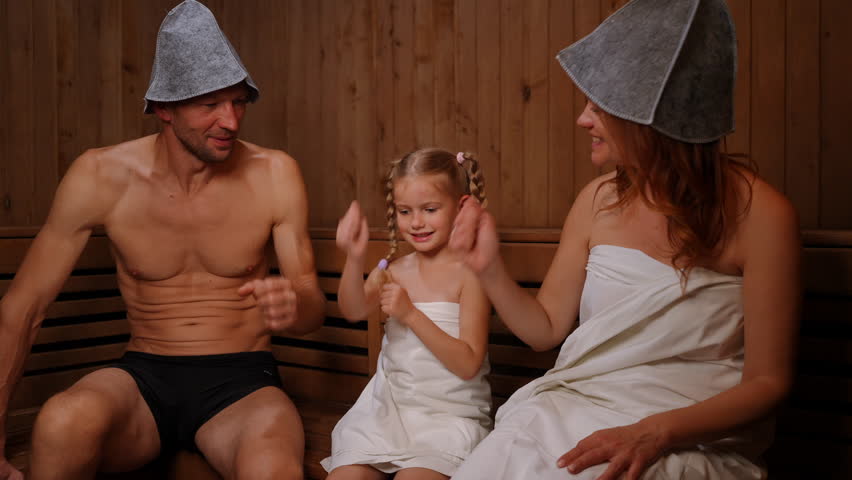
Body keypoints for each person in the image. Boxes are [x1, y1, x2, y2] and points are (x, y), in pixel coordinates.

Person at [450, 0, 800, 479]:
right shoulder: (597, 200)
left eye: (600, 106)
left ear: (651, 117)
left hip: (686, 434)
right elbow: (545, 329)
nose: (583, 119)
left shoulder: (763, 216)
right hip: (575, 406)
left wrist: (656, 432)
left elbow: (768, 382)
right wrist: (488, 269)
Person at [0, 1, 325, 479]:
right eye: (209, 105)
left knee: (272, 469)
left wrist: (295, 306)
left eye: (238, 101)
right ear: (164, 109)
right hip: (144, 377)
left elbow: (312, 309)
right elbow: (23, 307)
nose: (231, 121)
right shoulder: (100, 176)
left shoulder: (275, 174)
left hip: (243, 385)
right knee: (61, 422)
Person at [321, 148, 493, 480]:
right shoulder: (394, 270)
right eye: (404, 211)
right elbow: (353, 310)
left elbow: (468, 364)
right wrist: (354, 258)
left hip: (448, 419)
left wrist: (411, 315)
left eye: (430, 209)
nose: (416, 222)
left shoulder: (471, 276)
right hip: (390, 414)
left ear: (460, 207)